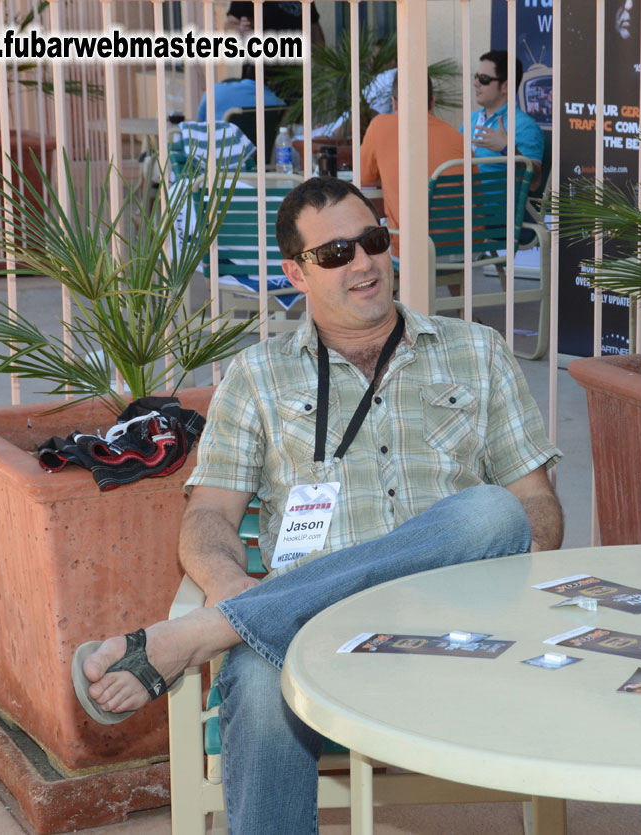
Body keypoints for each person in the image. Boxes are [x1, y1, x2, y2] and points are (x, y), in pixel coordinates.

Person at [72, 177, 563, 834]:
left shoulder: (478, 351)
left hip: (462, 613)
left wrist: (525, 552)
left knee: (492, 513)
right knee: (257, 679)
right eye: (335, 253)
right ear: (295, 273)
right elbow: (208, 515)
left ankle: (197, 636)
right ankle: (241, 622)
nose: (363, 263)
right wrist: (229, 587)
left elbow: (536, 504)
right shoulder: (257, 376)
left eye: (373, 241)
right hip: (313, 629)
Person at [360, 75, 464, 242]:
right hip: (465, 246)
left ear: (394, 103)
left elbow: (364, 181)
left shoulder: (379, 126)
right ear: (432, 102)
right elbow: (476, 196)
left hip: (410, 248)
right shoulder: (458, 138)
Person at [463, 49, 546, 170]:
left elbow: (534, 179)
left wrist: (507, 149)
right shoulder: (471, 119)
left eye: (483, 78)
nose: (475, 83)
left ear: (505, 86)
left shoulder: (525, 127)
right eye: (476, 77)